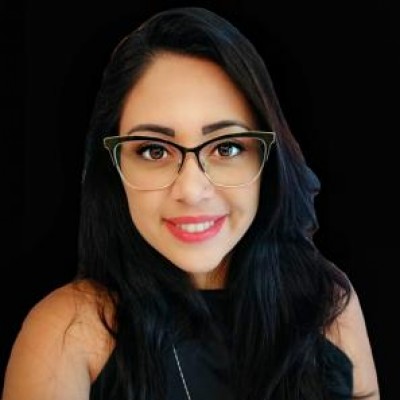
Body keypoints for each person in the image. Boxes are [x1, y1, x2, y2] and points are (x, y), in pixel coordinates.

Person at [2, 6, 379, 400]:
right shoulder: (69, 333)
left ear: (267, 161)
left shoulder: (327, 305)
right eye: (153, 150)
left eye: (227, 147)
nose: (191, 190)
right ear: (112, 168)